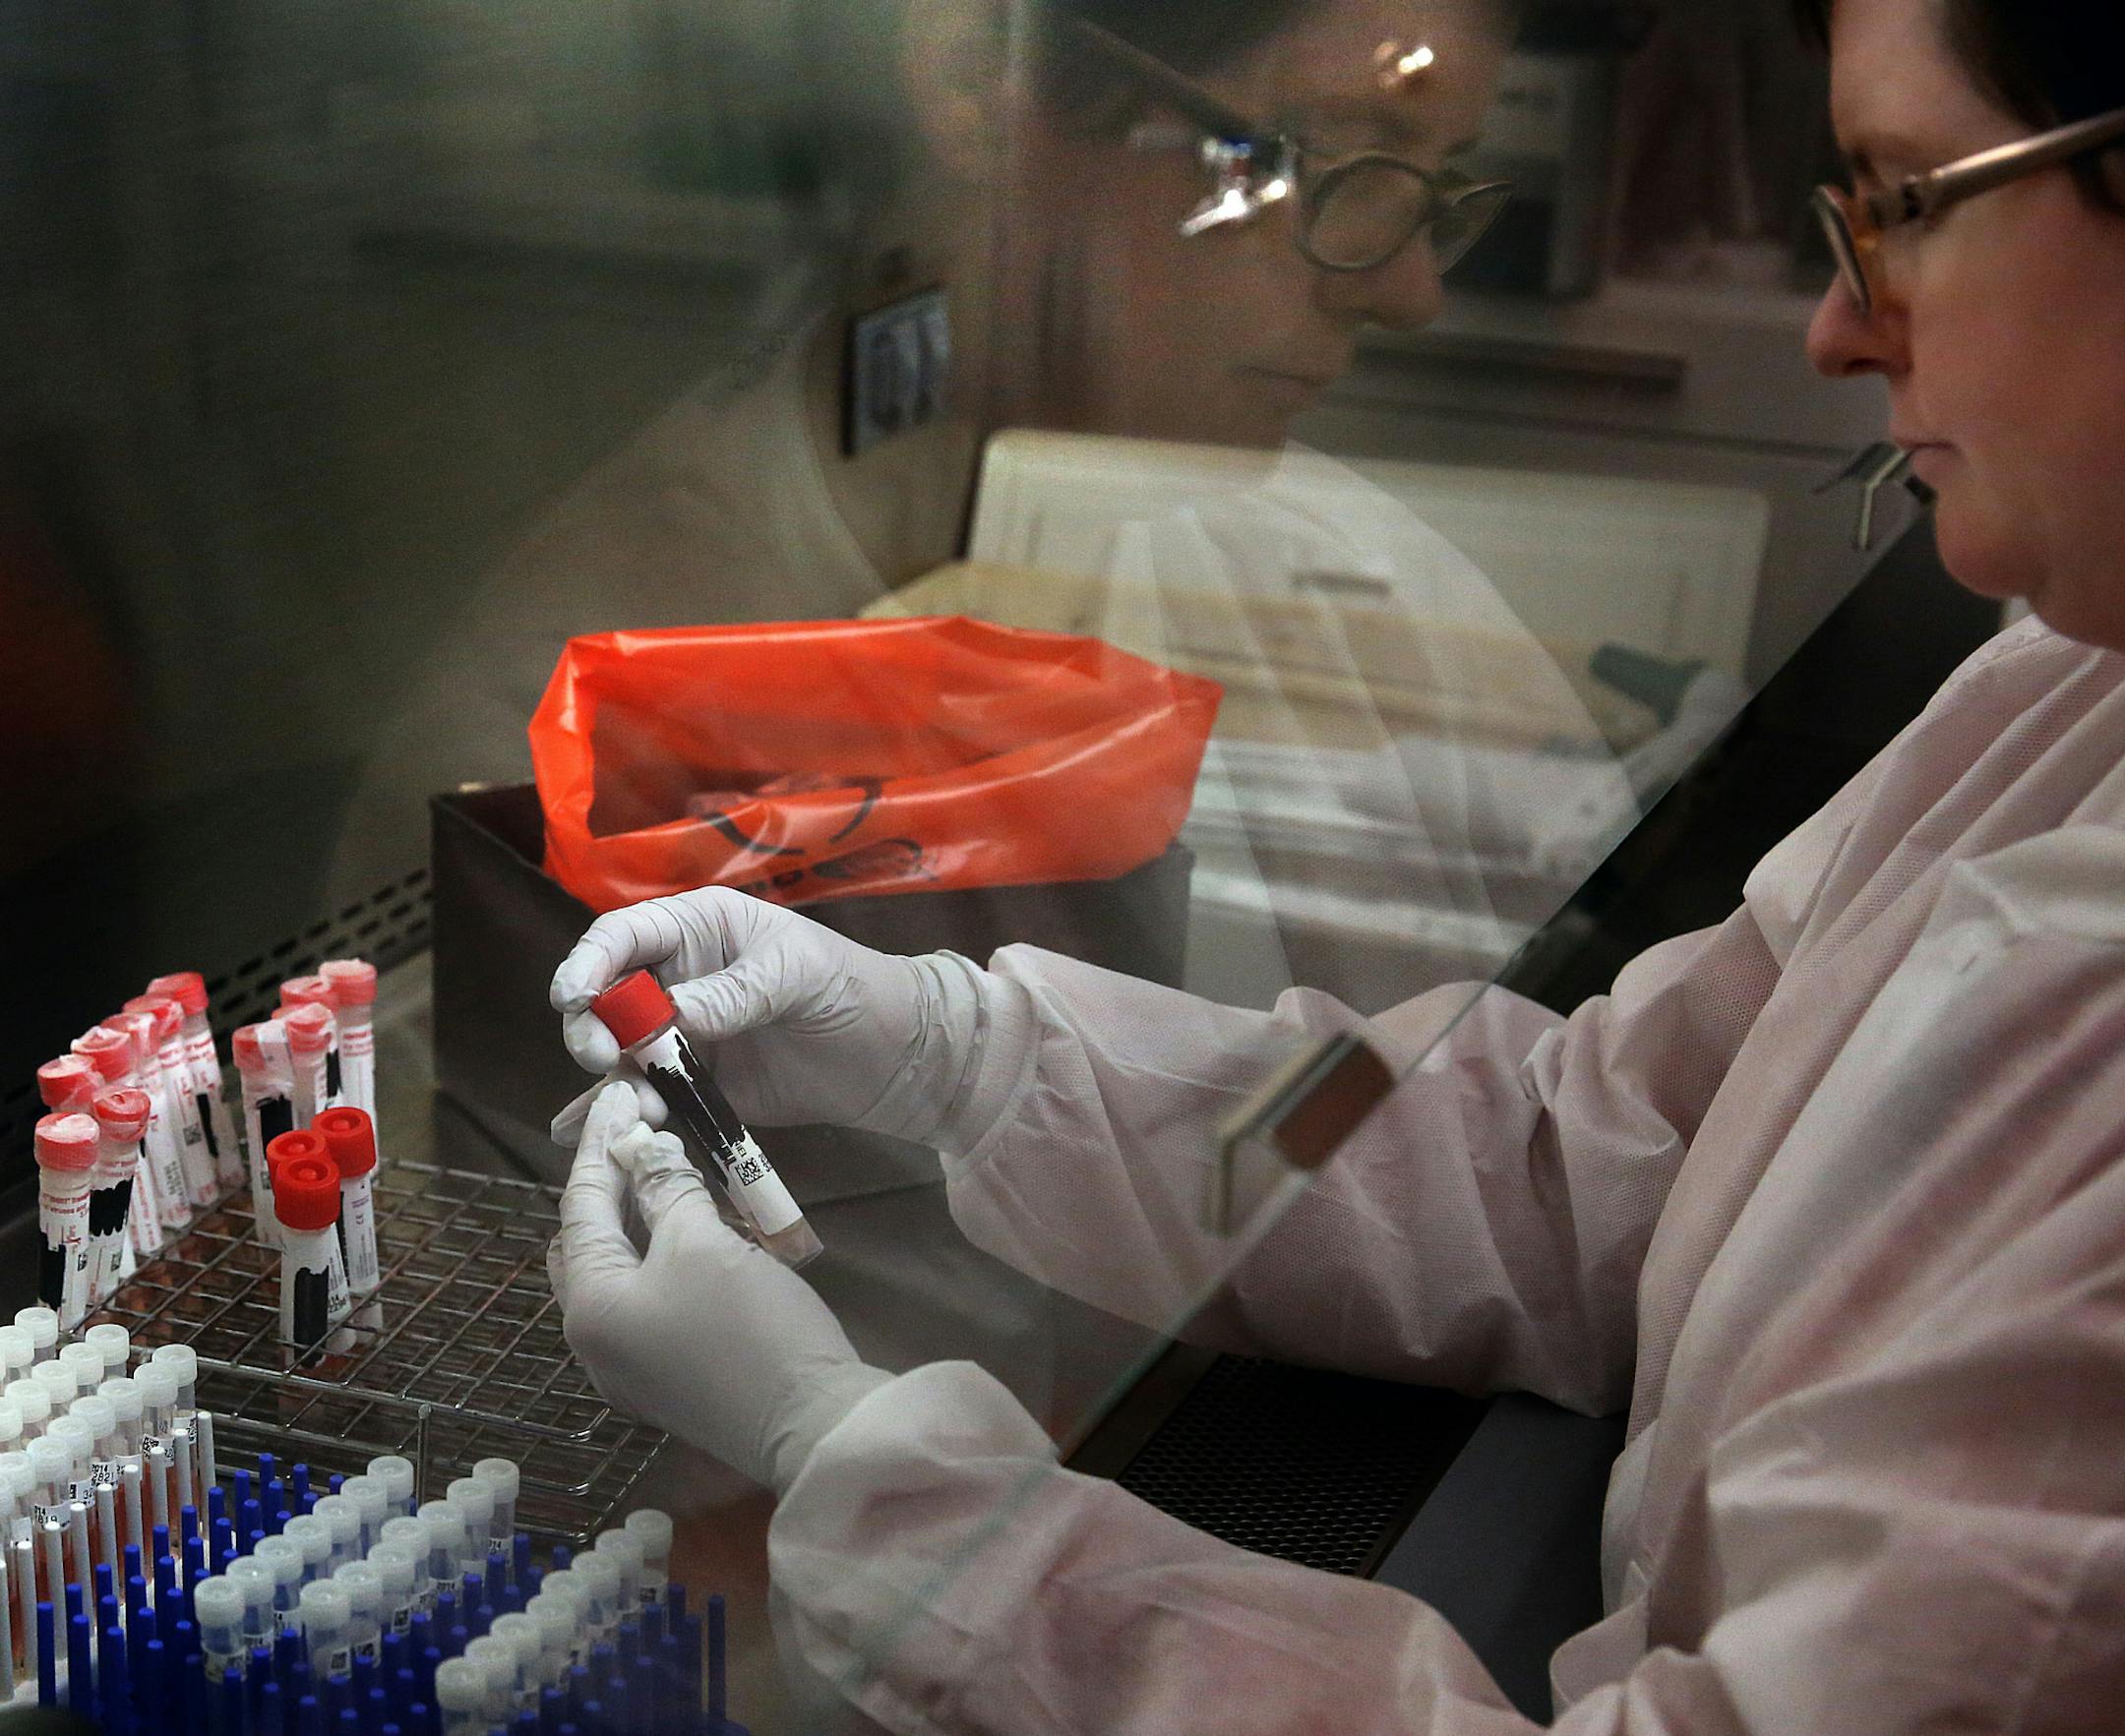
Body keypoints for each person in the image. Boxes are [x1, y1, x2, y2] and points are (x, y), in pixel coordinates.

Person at [548, 0, 2125, 1726]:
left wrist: (874, 1479)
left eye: (1900, 199)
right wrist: (974, 1055)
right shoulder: (2064, 684)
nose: (1831, 324)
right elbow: (1571, 1155)